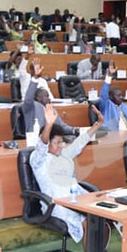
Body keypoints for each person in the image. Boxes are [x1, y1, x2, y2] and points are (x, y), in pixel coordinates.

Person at [29, 103, 103, 243]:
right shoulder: (38, 159)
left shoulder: (62, 154)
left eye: (61, 143)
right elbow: (41, 145)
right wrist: (49, 124)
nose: (60, 146)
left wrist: (98, 124)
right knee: (88, 223)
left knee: (100, 216)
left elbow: (80, 142)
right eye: (57, 143)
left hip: (74, 198)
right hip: (56, 204)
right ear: (49, 144)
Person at [21, 61, 77, 135]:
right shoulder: (31, 107)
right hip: (35, 141)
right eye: (46, 96)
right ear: (38, 98)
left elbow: (62, 127)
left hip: (51, 140)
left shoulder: (51, 109)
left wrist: (75, 130)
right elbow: (28, 99)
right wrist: (35, 78)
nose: (49, 98)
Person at [99, 62, 127, 131]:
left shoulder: (125, 106)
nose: (121, 97)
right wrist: (109, 76)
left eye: (121, 95)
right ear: (110, 97)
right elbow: (103, 95)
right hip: (114, 136)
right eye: (118, 96)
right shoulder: (107, 106)